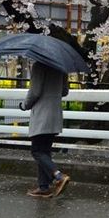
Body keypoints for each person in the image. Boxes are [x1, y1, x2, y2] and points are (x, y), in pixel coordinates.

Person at [19, 61, 71, 198]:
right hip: (55, 114)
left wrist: (25, 105)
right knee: (44, 151)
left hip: (42, 114)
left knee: (36, 151)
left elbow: (35, 92)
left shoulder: (39, 65)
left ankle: (58, 176)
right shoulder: (62, 66)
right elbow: (64, 91)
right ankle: (44, 187)